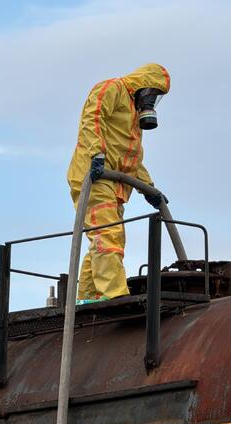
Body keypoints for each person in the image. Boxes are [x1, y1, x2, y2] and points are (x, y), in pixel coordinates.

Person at [66, 63, 170, 303]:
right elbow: (92, 120)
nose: (152, 100)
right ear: (142, 83)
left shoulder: (133, 115)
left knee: (107, 236)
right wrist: (96, 155)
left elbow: (130, 156)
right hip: (94, 176)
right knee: (107, 234)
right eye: (152, 92)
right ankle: (114, 295)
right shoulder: (111, 88)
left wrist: (149, 187)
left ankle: (89, 296)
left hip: (115, 184)